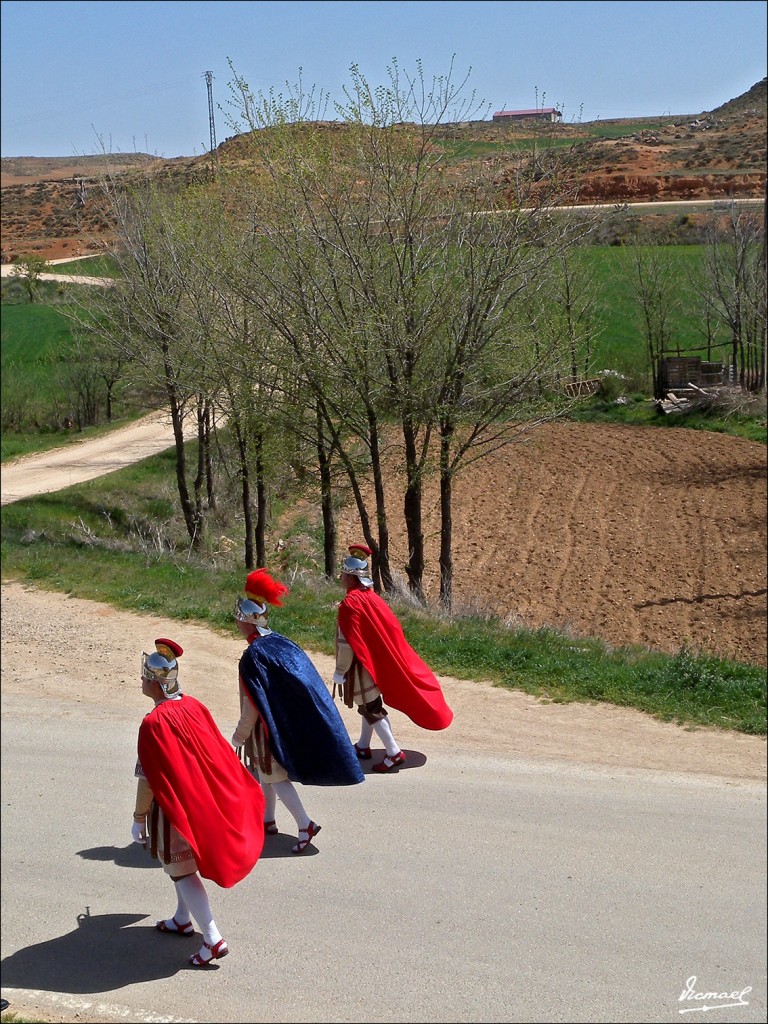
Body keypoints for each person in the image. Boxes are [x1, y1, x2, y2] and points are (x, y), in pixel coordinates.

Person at [132, 638, 265, 968]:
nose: (141, 681)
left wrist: (138, 816)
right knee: (179, 868)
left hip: (174, 808)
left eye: (145, 677)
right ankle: (182, 919)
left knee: (180, 871)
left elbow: (147, 778)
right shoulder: (193, 705)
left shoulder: (153, 723)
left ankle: (212, 938)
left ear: (156, 683)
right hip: (197, 802)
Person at [233, 568, 365, 854]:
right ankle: (267, 820)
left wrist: (238, 737)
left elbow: (252, 707)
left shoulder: (252, 657)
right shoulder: (279, 643)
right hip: (275, 725)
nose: (237, 623)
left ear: (248, 623)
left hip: (266, 730)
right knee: (265, 773)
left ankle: (305, 823)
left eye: (240, 619)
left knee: (275, 778)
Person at [333, 543, 454, 772]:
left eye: (344, 574)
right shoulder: (370, 597)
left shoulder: (350, 604)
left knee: (371, 709)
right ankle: (363, 746)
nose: (341, 577)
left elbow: (347, 642)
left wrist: (340, 670)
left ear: (351, 577)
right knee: (369, 706)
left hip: (361, 665)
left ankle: (393, 752)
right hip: (373, 661)